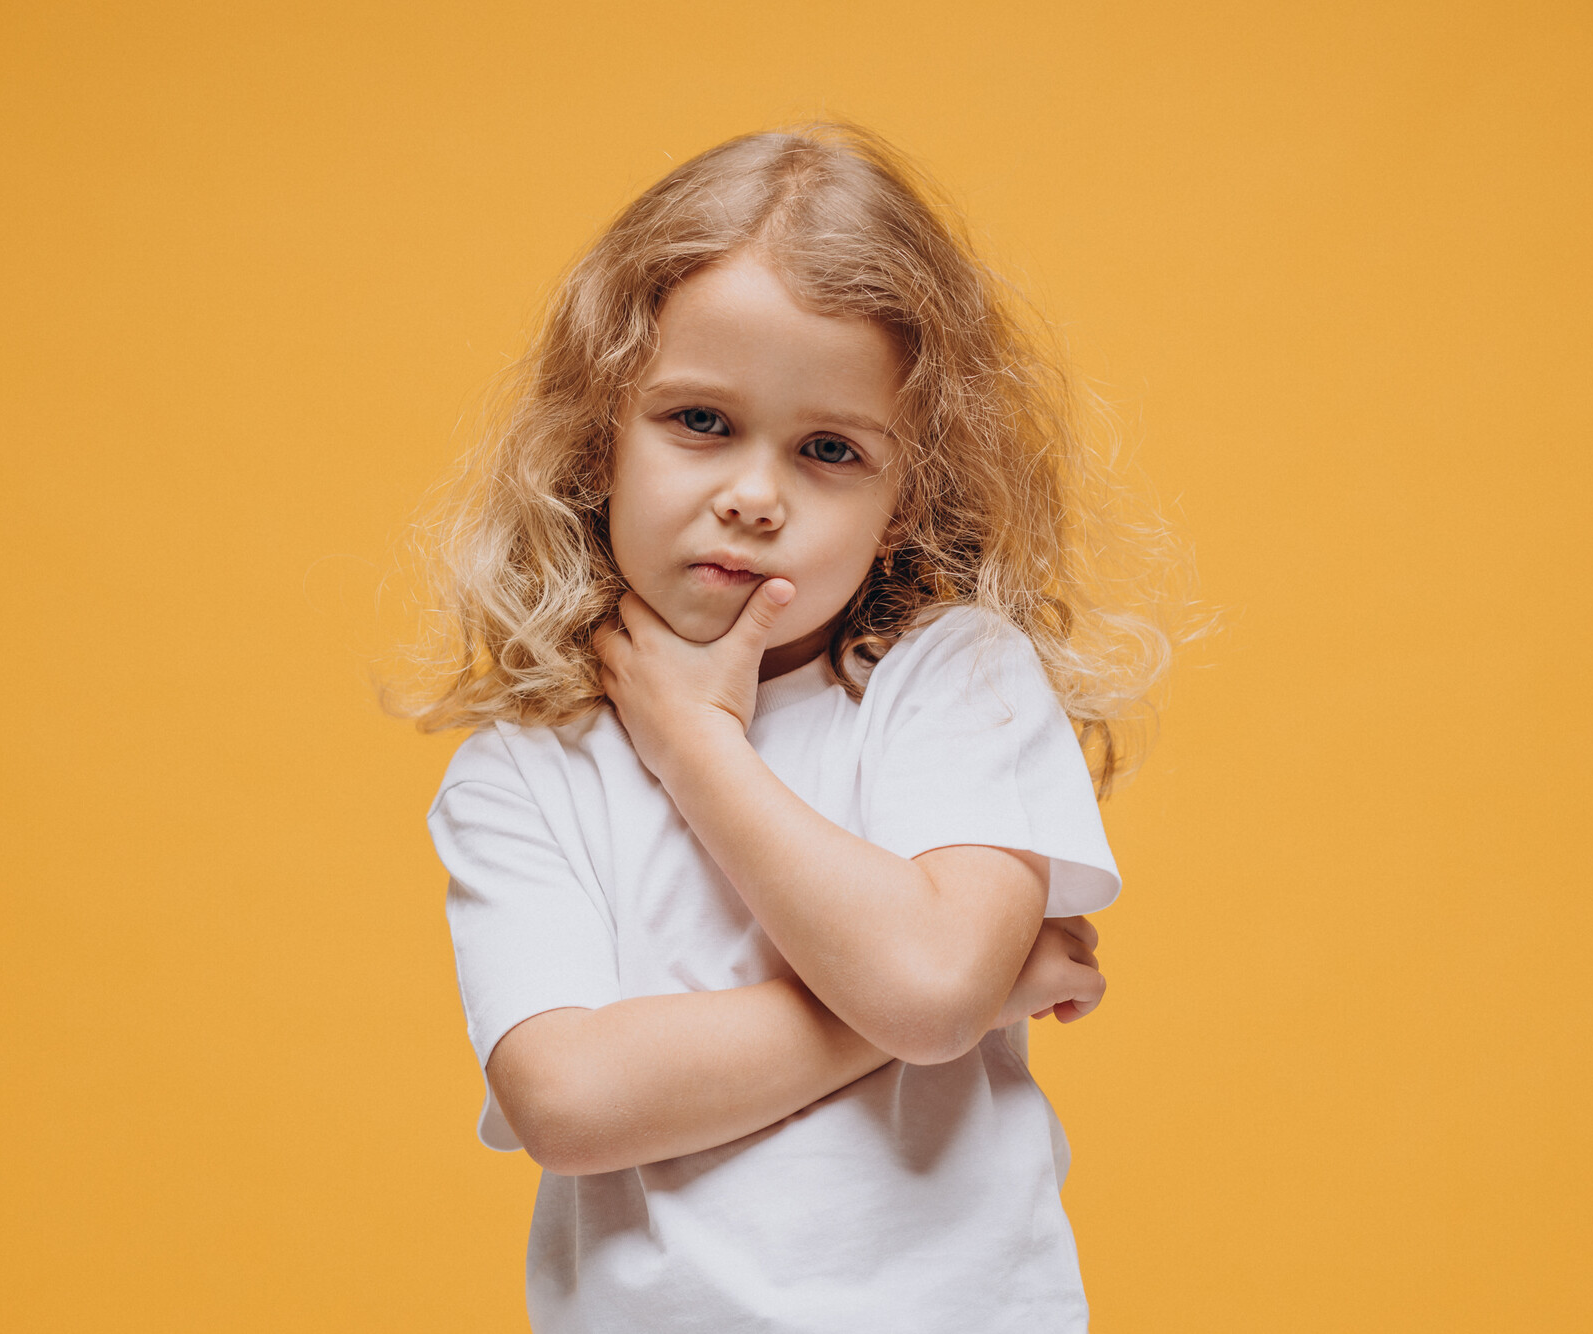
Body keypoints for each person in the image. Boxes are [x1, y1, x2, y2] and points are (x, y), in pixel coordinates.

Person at [407, 123, 1172, 1332]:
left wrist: (696, 745)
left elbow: (922, 986)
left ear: (903, 493)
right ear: (597, 435)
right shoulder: (522, 770)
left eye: (827, 449)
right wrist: (962, 994)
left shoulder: (952, 682)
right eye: (699, 421)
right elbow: (564, 1098)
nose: (753, 494)